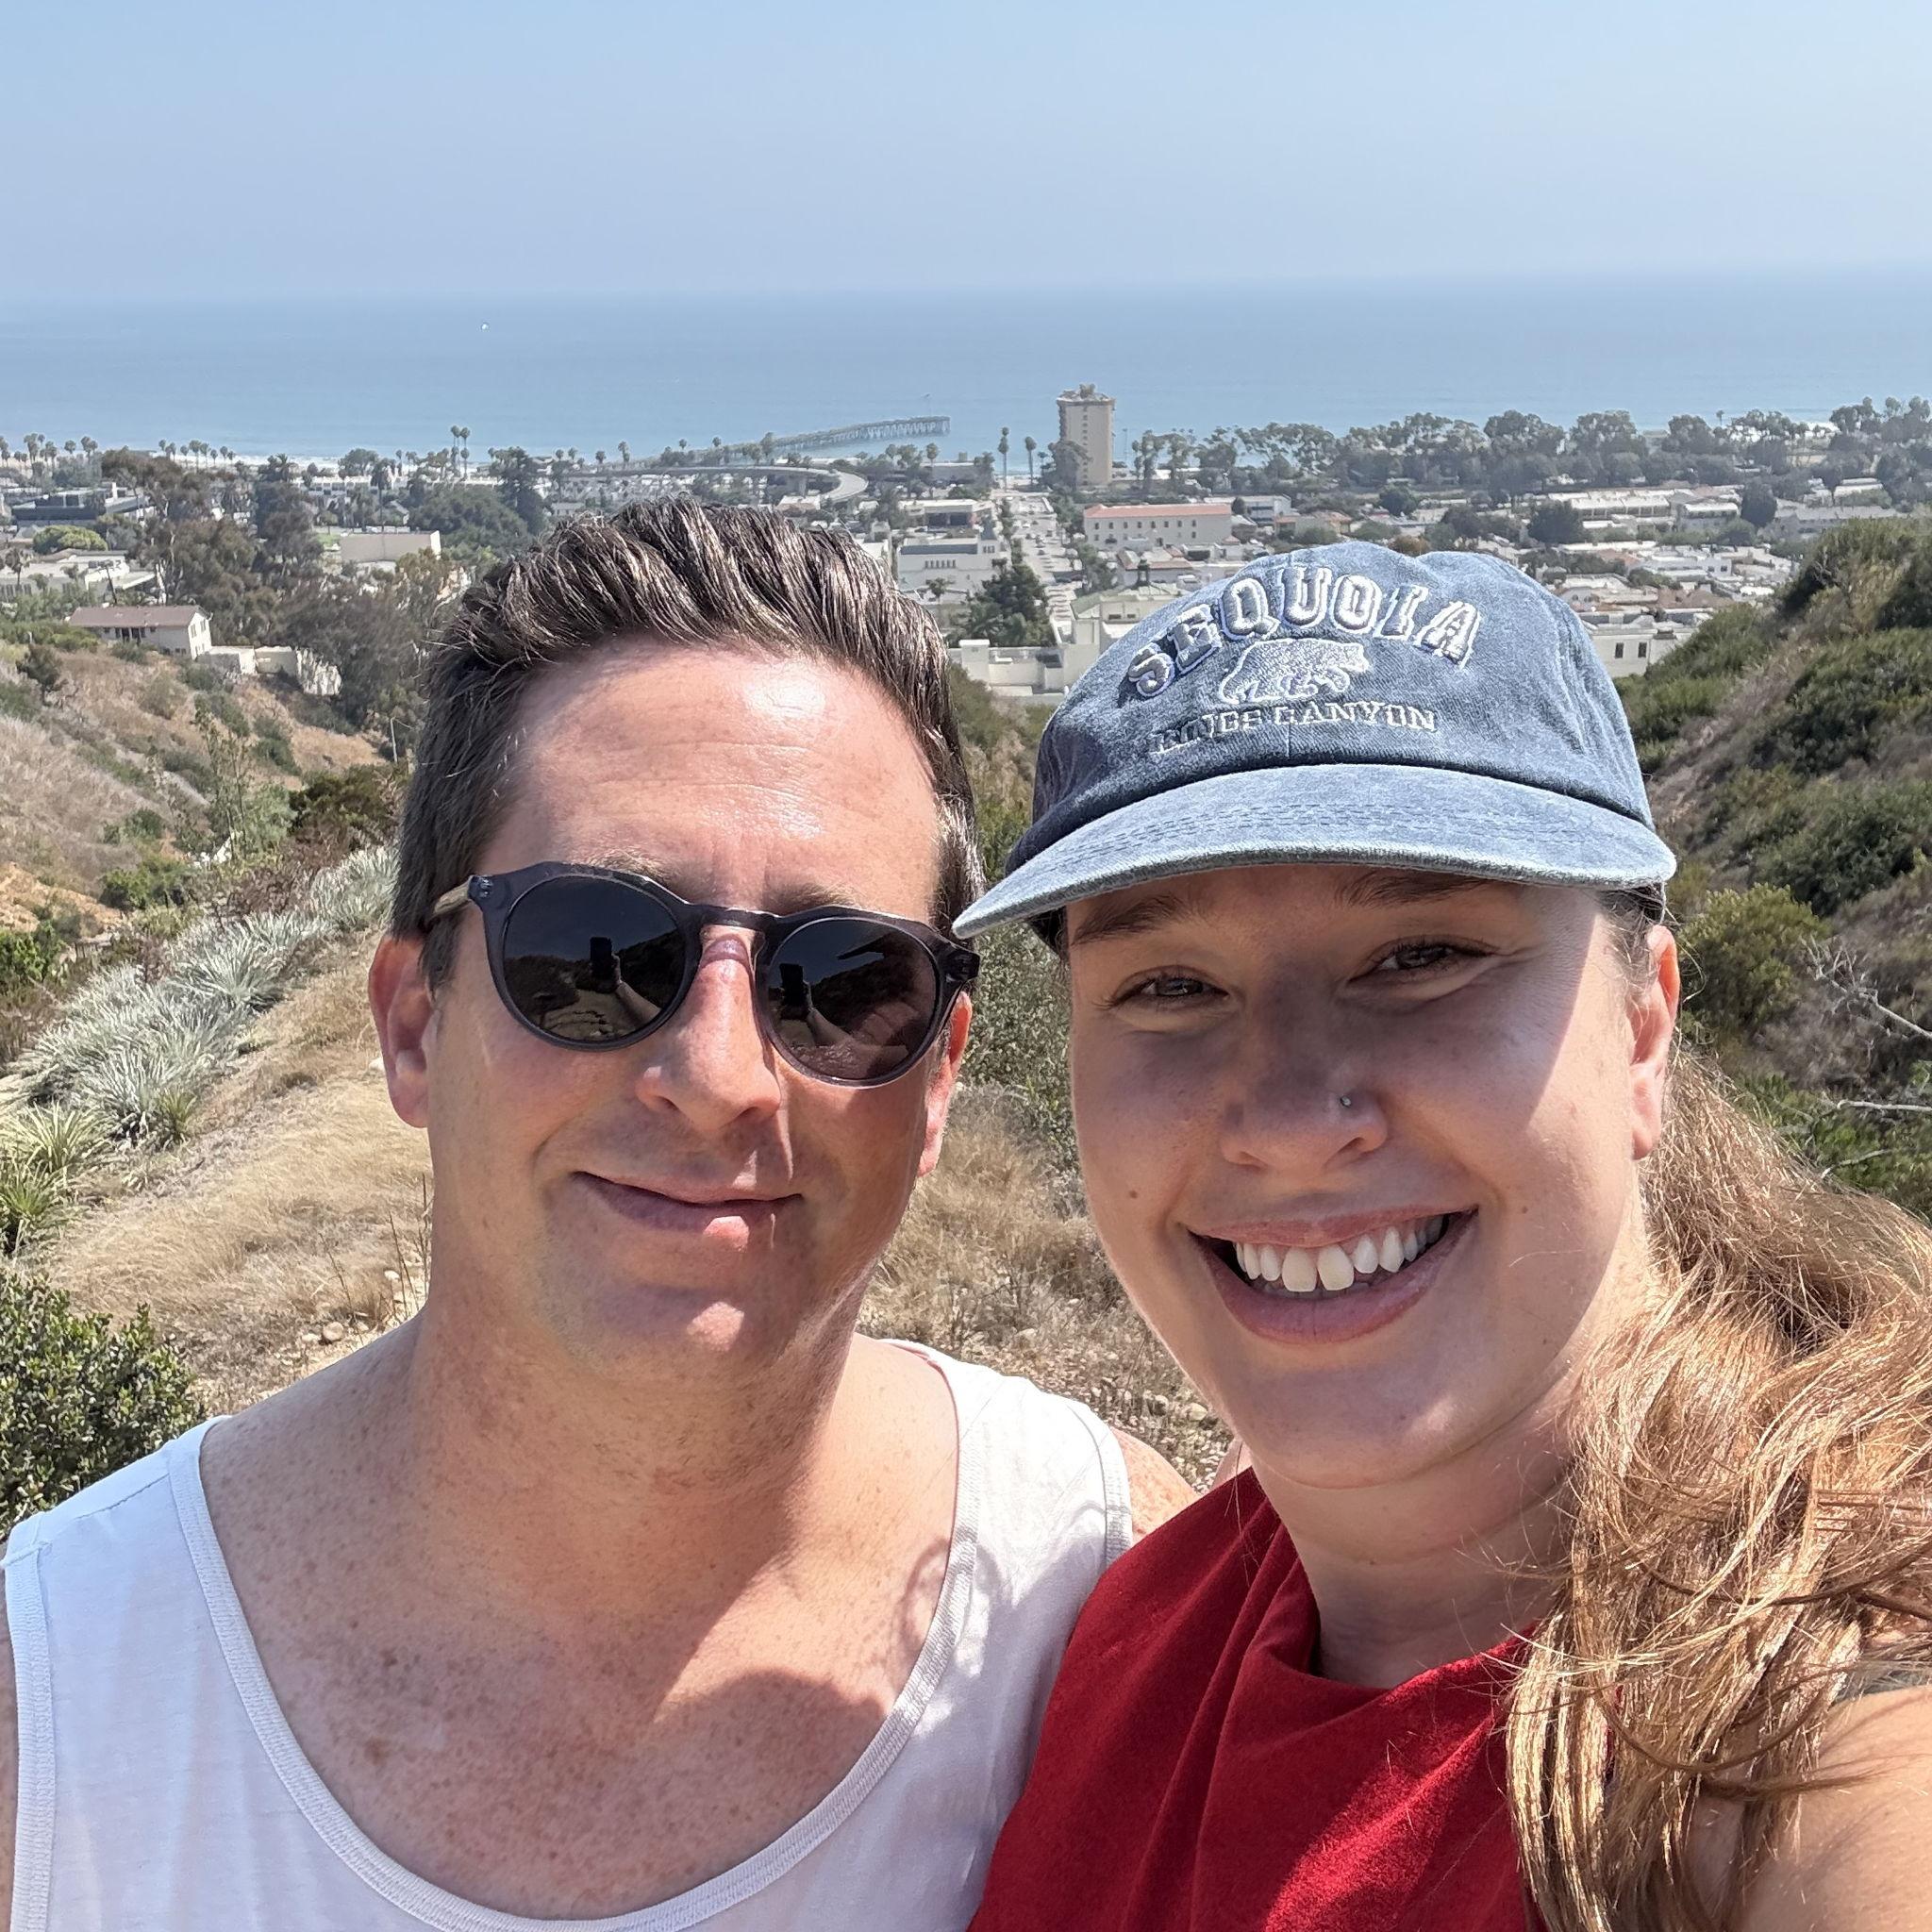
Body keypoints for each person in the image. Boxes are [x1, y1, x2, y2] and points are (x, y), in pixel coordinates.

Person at [0, 501, 1192, 1930]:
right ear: (413, 1026)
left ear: (936, 1080)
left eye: (843, 981)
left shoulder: (1114, 1593)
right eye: (593, 952)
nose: (720, 1075)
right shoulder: (56, 1709)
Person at [958, 542, 1932, 1932]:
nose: (1291, 1119)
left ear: (1643, 1029)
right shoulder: (1139, 1631)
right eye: (1170, 984)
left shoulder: (1816, 1732)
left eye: (1420, 957)